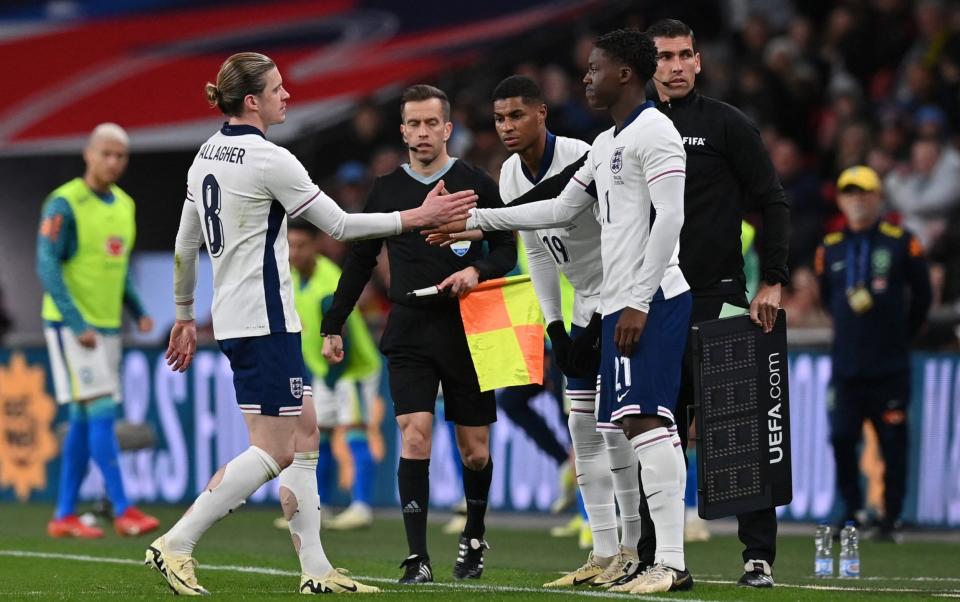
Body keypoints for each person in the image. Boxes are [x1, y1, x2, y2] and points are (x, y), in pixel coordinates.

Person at [152, 52, 476, 596]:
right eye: (278, 89)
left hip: (239, 317)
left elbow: (186, 244)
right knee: (275, 449)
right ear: (252, 100)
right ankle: (177, 543)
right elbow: (343, 225)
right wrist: (418, 217)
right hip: (266, 320)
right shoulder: (268, 158)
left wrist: (185, 313)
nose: (287, 96)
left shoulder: (205, 154)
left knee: (304, 435)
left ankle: (316, 570)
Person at [439, 29, 694, 594]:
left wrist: (636, 299)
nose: (587, 77)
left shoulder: (656, 131)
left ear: (625, 73)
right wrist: (475, 222)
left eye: (595, 68)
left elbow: (670, 221)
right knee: (612, 424)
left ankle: (669, 562)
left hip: (644, 300)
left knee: (647, 423)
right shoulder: (606, 145)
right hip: (602, 307)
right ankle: (619, 552)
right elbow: (552, 212)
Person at [320, 84, 517, 584]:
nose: (423, 132)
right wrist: (334, 321)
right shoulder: (386, 190)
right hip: (409, 327)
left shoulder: (476, 182)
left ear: (448, 129)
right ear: (403, 129)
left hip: (470, 326)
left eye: (433, 124)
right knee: (415, 433)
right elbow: (360, 258)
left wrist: (477, 271)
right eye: (414, 124)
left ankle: (473, 535)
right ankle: (417, 557)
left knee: (475, 448)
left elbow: (507, 249)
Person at [643, 18, 791, 589]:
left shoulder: (727, 125)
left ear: (699, 62)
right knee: (657, 430)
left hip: (719, 298)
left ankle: (757, 557)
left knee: (739, 430)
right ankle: (655, 555)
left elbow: (773, 202)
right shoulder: (631, 132)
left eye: (685, 55)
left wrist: (773, 280)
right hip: (651, 301)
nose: (676, 66)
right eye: (664, 57)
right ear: (647, 65)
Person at [39, 122, 160, 540]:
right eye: (105, 153)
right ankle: (123, 508)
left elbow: (118, 268)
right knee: (102, 410)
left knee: (80, 417)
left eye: (120, 155)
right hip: (73, 327)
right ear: (88, 154)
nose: (113, 161)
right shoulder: (64, 203)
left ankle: (64, 514)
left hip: (107, 328)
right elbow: (47, 263)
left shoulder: (124, 205)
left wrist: (139, 310)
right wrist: (75, 322)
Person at [815, 165, 931, 542]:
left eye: (864, 192)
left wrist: (901, 334)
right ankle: (850, 509)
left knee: (893, 444)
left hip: (890, 367)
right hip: (847, 367)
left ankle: (891, 518)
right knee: (841, 439)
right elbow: (828, 298)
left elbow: (923, 296)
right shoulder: (829, 247)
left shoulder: (901, 242)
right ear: (841, 200)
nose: (857, 199)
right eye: (850, 192)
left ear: (879, 197)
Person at [287, 220, 381, 531]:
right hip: (323, 369)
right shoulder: (291, 277)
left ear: (315, 246)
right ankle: (321, 505)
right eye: (289, 244)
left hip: (351, 369)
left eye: (300, 245)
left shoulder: (329, 283)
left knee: (355, 431)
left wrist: (331, 378)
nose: (293, 252)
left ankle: (362, 506)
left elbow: (346, 339)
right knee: (320, 434)